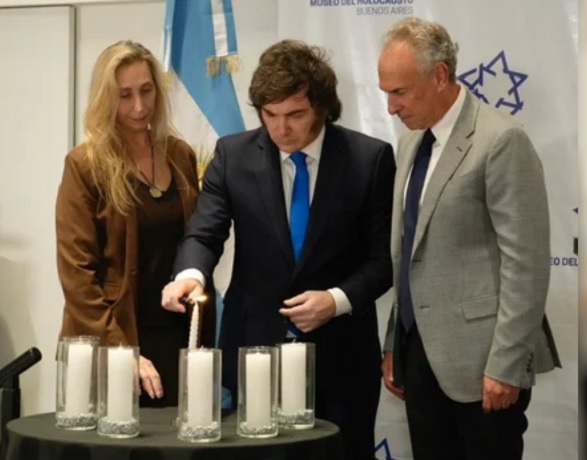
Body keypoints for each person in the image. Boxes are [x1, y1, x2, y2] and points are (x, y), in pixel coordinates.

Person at [162, 39, 395, 460]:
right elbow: (204, 233)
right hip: (256, 353)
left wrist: (336, 300)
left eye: (295, 115)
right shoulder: (233, 156)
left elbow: (383, 260)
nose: (281, 128)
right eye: (269, 115)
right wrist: (190, 275)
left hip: (341, 358)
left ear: (321, 107)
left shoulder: (369, 159)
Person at [377, 17, 561, 460]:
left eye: (400, 92)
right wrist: (395, 344)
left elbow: (526, 264)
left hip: (484, 367)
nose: (391, 107)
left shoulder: (501, 141)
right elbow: (409, 255)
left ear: (440, 76)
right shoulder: (409, 145)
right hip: (418, 359)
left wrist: (506, 366)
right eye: (385, 93)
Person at [56, 40, 215, 408]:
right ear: (105, 98)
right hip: (111, 335)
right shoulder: (85, 165)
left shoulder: (179, 155)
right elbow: (77, 275)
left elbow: (197, 240)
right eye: (124, 96)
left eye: (146, 91)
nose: (139, 107)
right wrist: (120, 350)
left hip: (177, 335)